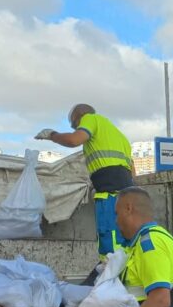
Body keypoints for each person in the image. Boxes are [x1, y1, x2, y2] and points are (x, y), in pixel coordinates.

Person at [35, 104, 134, 262]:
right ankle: (119, 278)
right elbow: (131, 169)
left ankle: (109, 278)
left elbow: (74, 140)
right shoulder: (119, 137)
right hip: (127, 194)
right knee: (124, 240)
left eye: (74, 123)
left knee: (110, 242)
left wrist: (52, 134)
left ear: (78, 116)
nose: (74, 127)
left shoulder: (91, 119)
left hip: (110, 194)